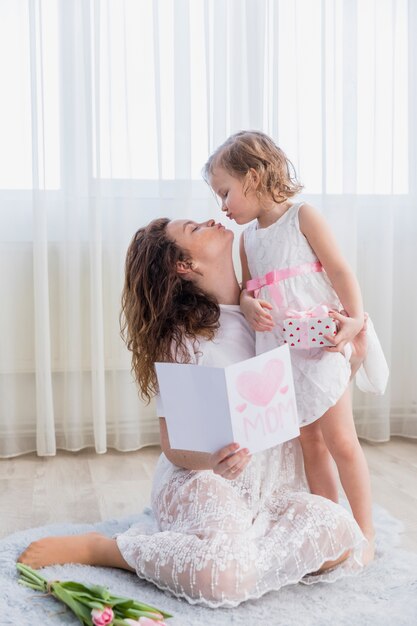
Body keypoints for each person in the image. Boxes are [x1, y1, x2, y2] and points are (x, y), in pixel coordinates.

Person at [18, 216, 369, 608]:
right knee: (224, 575)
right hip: (203, 478)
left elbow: (314, 392)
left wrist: (346, 351)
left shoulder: (276, 312)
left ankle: (241, 554)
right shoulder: (183, 340)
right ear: (185, 266)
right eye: (195, 229)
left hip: (269, 488)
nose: (211, 218)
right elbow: (174, 448)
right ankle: (109, 550)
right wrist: (215, 462)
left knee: (342, 536)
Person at [204, 130, 389, 567]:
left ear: (252, 178)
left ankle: (365, 533)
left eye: (225, 192)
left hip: (321, 344)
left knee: (341, 440)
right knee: (310, 442)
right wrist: (249, 306)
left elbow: (340, 269)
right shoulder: (248, 239)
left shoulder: (302, 217)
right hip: (281, 352)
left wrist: (356, 319)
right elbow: (248, 288)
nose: (223, 207)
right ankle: (330, 530)